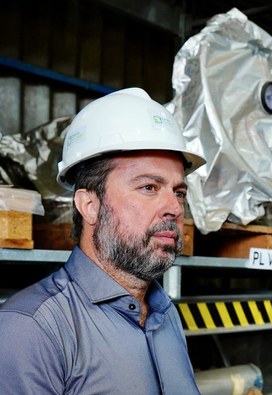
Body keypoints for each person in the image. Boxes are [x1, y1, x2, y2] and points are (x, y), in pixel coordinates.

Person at [0, 87, 207, 394]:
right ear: (89, 205)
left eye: (178, 192)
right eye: (149, 187)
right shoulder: (30, 328)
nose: (175, 208)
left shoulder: (166, 314)